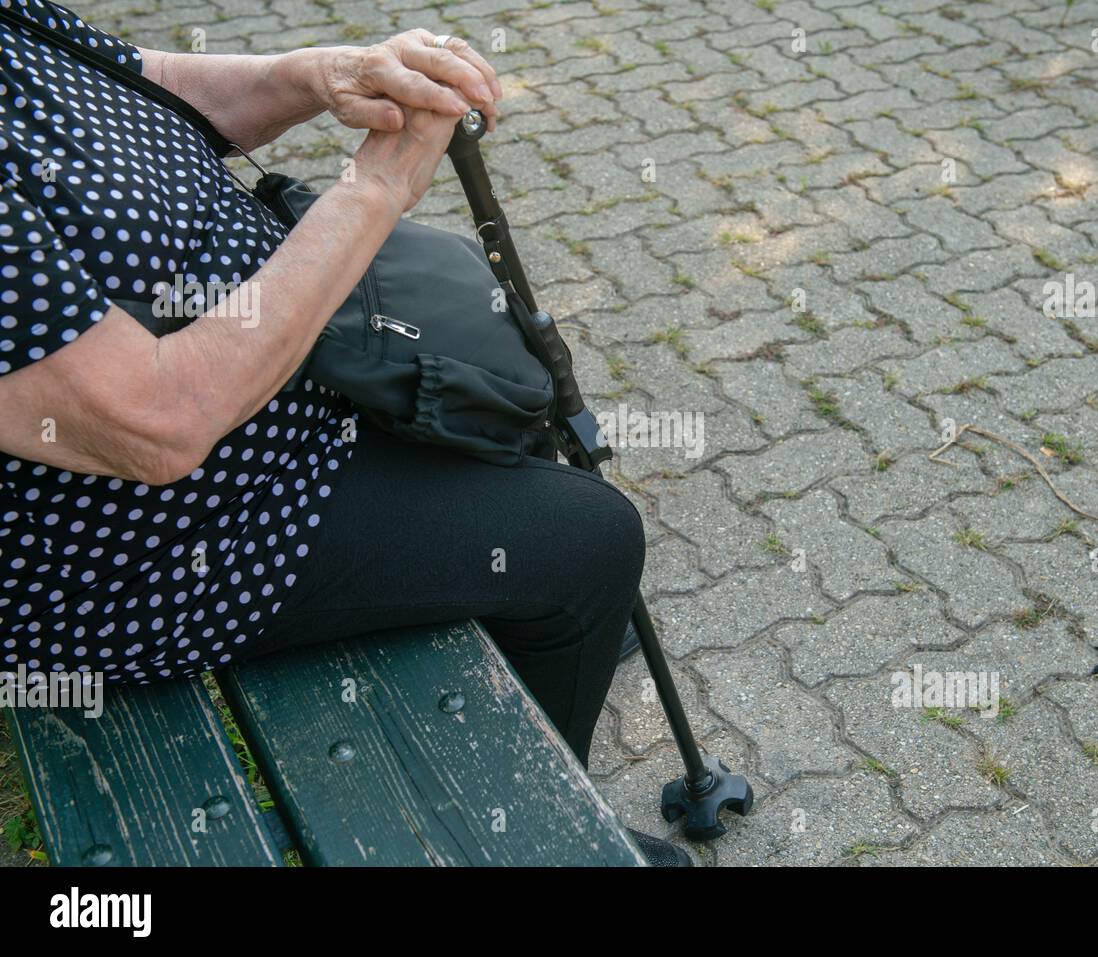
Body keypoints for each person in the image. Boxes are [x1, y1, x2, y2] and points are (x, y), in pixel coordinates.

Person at [0, 0, 688, 865]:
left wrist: (322, 75)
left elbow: (151, 84)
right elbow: (156, 424)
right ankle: (540, 837)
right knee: (590, 539)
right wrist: (376, 190)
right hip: (152, 543)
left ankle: (542, 643)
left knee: (500, 380)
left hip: (287, 379)